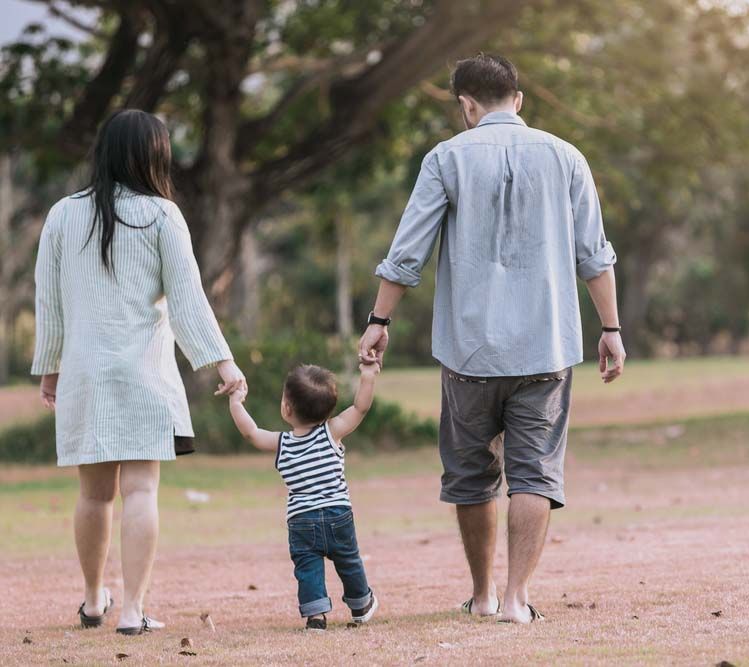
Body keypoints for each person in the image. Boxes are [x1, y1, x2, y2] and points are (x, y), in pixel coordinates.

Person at [358, 53, 626, 624]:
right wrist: (611, 328)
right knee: (534, 472)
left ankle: (480, 595)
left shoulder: (445, 158)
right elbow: (593, 256)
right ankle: (515, 599)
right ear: (519, 101)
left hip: (469, 351)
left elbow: (408, 253)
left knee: (471, 473)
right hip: (545, 347)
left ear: (467, 105)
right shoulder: (566, 157)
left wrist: (379, 321)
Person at [31, 109, 246, 635]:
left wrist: (49, 367)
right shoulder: (161, 215)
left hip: (85, 373)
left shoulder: (62, 215)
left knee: (93, 494)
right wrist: (223, 360)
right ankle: (132, 610)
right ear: (154, 155)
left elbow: (50, 303)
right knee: (142, 492)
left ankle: (91, 600)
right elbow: (190, 300)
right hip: (146, 374)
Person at [226, 363, 380, 630]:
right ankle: (360, 604)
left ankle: (316, 616)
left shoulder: (281, 443)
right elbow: (360, 408)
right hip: (337, 514)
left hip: (301, 520)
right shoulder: (332, 432)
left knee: (308, 568)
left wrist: (236, 402)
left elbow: (250, 433)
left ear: (287, 408)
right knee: (349, 560)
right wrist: (368, 375)